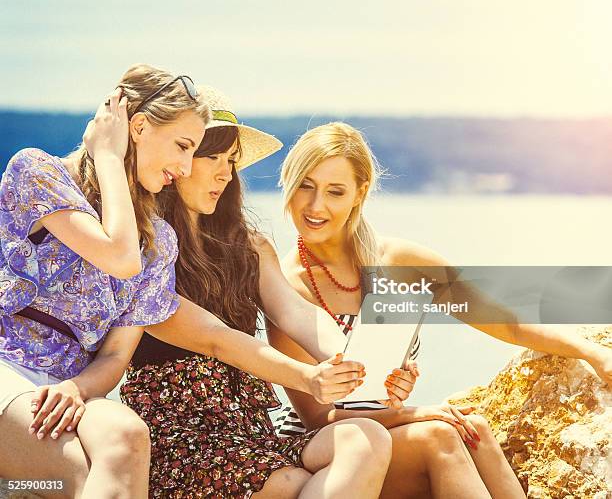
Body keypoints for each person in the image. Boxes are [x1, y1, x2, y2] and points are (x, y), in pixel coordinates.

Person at [271, 121, 607, 497]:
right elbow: (318, 416)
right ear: (288, 182)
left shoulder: (401, 263)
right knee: (440, 436)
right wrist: (412, 412)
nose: (316, 206)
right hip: (331, 448)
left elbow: (505, 321)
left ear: (359, 193)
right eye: (305, 185)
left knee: (474, 428)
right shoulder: (287, 288)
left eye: (335, 191)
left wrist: (593, 353)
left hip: (387, 428)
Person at [121, 89, 392, 498]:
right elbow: (217, 339)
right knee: (290, 484)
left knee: (366, 436)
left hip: (251, 432)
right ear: (176, 163)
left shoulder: (250, 246)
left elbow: (297, 312)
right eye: (210, 157)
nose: (224, 174)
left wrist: (363, 365)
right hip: (180, 436)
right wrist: (310, 377)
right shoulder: (142, 251)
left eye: (230, 162)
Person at [0, 64, 210, 498]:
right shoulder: (37, 173)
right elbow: (119, 256)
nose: (187, 168)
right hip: (5, 368)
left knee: (128, 434)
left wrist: (76, 387)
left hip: (72, 390)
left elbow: (115, 354)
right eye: (183, 146)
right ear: (138, 127)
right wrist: (110, 157)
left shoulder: (159, 241)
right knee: (80, 477)